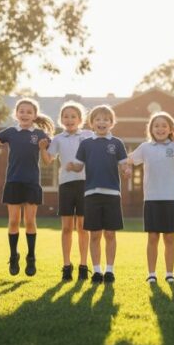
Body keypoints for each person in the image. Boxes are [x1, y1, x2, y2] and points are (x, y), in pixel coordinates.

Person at [0, 98, 54, 277]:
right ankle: (14, 256)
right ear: (16, 114)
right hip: (13, 182)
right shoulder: (10, 132)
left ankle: (31, 257)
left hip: (32, 183)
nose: (25, 114)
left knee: (29, 222)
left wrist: (44, 149)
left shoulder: (39, 134)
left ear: (34, 115)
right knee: (14, 221)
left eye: (29, 112)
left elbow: (48, 161)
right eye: (21, 111)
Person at [127, 112, 174, 284]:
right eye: (156, 125)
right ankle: (151, 273)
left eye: (164, 125)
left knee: (169, 238)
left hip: (171, 199)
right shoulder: (145, 147)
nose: (160, 129)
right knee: (152, 237)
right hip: (151, 199)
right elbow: (128, 160)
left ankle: (169, 273)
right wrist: (126, 168)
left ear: (170, 129)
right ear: (151, 129)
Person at [69, 105, 131, 284]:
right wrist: (72, 167)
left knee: (110, 234)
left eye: (106, 119)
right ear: (92, 123)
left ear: (112, 123)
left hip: (112, 194)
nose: (102, 122)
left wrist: (126, 171)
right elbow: (79, 166)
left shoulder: (117, 143)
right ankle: (96, 271)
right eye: (98, 119)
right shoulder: (85, 144)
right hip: (91, 194)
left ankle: (109, 270)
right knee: (95, 235)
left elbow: (124, 166)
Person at [40, 101, 93, 281]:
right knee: (67, 228)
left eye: (73, 116)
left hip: (85, 184)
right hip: (66, 185)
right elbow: (48, 160)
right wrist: (42, 149)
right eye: (65, 116)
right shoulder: (58, 139)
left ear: (80, 119)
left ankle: (84, 265)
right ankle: (66, 265)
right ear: (61, 119)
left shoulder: (88, 135)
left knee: (83, 227)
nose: (69, 119)